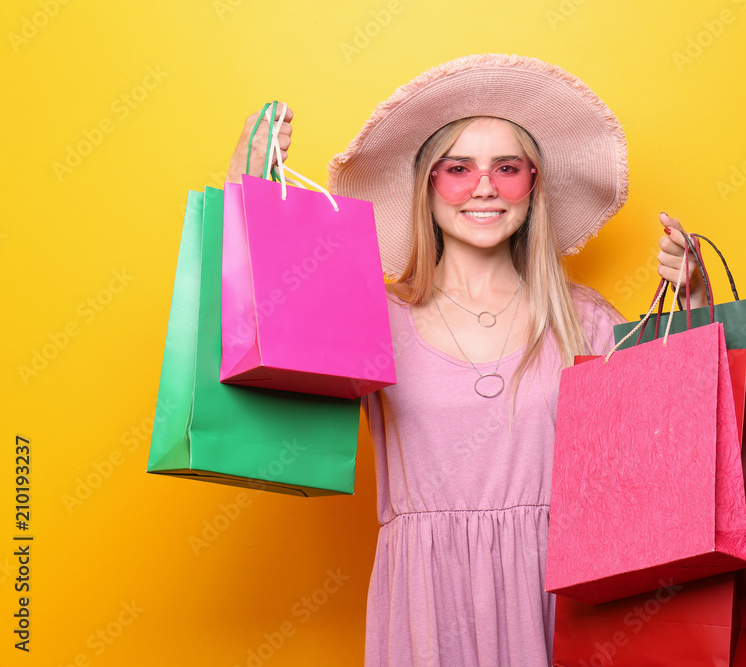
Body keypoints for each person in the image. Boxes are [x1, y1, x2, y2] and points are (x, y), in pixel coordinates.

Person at [225, 54, 707, 667]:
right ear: (427, 187)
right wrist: (252, 194)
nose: (485, 186)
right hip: (424, 604)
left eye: (507, 169)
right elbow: (263, 353)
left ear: (533, 186)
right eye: (458, 169)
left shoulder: (584, 319)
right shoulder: (372, 316)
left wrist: (691, 304)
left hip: (563, 596)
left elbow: (672, 456)